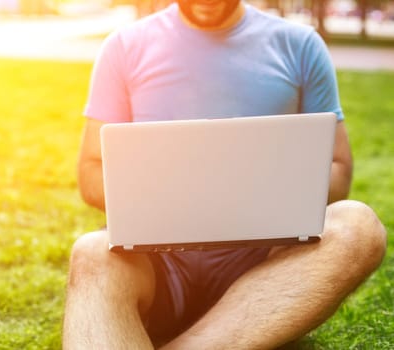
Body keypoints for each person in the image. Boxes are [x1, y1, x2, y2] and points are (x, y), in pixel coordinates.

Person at [62, 0, 387, 348]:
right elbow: (90, 170)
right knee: (91, 252)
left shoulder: (300, 45)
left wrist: (256, 195)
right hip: (157, 266)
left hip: (268, 270)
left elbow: (338, 167)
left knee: (359, 225)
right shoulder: (124, 47)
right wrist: (172, 200)